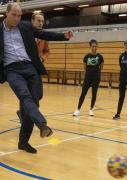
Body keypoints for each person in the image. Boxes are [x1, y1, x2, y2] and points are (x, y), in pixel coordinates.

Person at [0, 3, 73, 153]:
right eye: (14, 15)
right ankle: (42, 125)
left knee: (33, 103)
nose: (17, 18)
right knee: (25, 97)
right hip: (12, 70)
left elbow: (44, 34)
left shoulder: (25, 26)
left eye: (19, 15)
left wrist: (63, 36)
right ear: (6, 14)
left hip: (30, 67)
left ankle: (23, 142)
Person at [16, 12, 49, 122]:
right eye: (38, 21)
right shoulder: (24, 34)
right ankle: (25, 116)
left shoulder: (43, 36)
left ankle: (22, 112)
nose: (41, 23)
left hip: (37, 69)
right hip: (25, 68)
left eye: (42, 21)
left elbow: (46, 51)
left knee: (39, 95)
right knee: (26, 94)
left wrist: (43, 58)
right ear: (32, 21)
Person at [73, 39, 104, 116]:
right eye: (92, 46)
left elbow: (101, 67)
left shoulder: (100, 57)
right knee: (83, 93)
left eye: (95, 46)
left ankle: (91, 109)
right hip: (88, 77)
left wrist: (96, 73)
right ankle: (78, 109)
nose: (94, 47)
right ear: (90, 46)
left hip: (96, 77)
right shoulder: (87, 56)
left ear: (97, 47)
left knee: (94, 94)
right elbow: (85, 67)